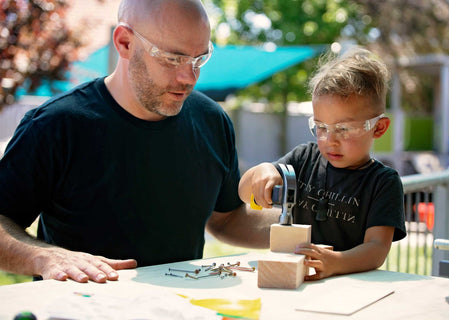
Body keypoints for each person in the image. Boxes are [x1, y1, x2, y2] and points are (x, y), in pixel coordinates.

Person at [0, 0, 278, 284]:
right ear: (124, 42)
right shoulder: (55, 125)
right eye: (172, 58)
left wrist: (312, 227)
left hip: (180, 310)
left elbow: (227, 219)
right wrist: (45, 257)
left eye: (199, 59)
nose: (189, 77)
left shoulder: (212, 120)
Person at [239, 47, 407, 280]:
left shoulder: (383, 183)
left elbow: (377, 249)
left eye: (343, 129)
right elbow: (245, 194)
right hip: (296, 280)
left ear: (378, 128)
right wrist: (262, 171)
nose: (330, 140)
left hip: (351, 286)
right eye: (321, 127)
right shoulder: (302, 159)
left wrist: (335, 263)